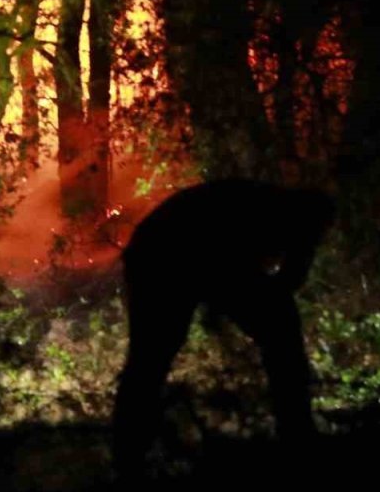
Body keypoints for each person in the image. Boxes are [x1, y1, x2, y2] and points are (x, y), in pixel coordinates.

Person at [111, 179, 335, 478]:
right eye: (311, 237)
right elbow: (236, 272)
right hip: (164, 255)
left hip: (170, 249)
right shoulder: (259, 215)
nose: (310, 244)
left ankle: (297, 437)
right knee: (152, 355)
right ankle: (128, 456)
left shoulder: (270, 212)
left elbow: (275, 284)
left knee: (152, 357)